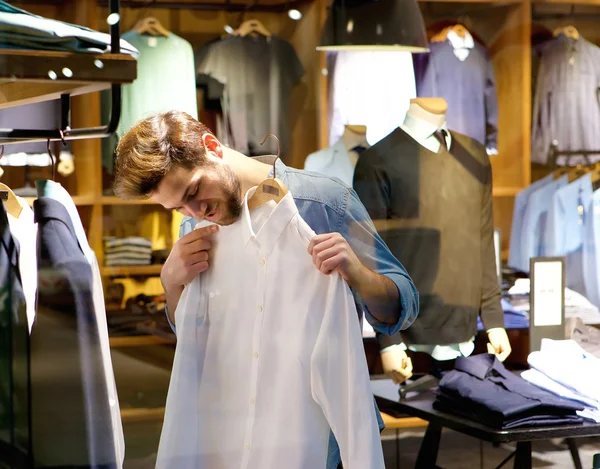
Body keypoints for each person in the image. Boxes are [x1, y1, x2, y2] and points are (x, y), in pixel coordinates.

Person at [113, 111, 419, 468]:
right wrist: (172, 284)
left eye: (194, 191)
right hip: (232, 438)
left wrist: (356, 271)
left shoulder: (324, 203)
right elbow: (198, 342)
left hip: (320, 437)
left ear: (212, 146)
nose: (196, 211)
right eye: (178, 206)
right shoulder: (193, 230)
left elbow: (403, 306)